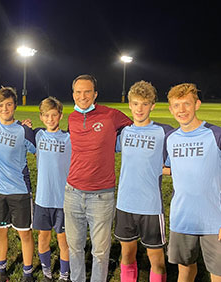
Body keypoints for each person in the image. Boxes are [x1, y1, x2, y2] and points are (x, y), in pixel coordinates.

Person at [64, 74, 132, 282]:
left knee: (100, 252)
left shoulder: (110, 115)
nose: (82, 96)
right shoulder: (72, 117)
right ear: (73, 94)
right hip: (72, 192)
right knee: (75, 248)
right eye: (78, 92)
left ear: (95, 94)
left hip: (101, 196)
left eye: (87, 92)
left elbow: (135, 126)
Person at [114, 81, 171, 282]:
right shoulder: (123, 133)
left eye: (145, 104)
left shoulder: (164, 133)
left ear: (152, 106)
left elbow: (177, 166)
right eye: (136, 103)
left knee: (156, 259)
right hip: (125, 204)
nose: (140, 108)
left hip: (150, 206)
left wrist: (160, 170)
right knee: (127, 254)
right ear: (129, 104)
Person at [164, 83, 221, 282]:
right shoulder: (171, 138)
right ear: (170, 109)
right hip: (183, 218)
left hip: (214, 221)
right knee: (185, 271)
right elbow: (170, 168)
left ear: (197, 104)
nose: (182, 110)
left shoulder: (215, 135)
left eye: (186, 104)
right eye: (177, 105)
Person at [0, 87, 36, 282]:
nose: (4, 108)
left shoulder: (24, 130)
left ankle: (27, 273)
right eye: (0, 105)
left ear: (14, 105)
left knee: (25, 234)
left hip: (20, 191)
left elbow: (40, 153)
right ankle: (2, 271)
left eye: (8, 104)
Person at [33, 97, 71, 282]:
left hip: (63, 200)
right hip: (42, 199)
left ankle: (64, 275)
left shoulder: (69, 138)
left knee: (64, 241)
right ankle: (47, 273)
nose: (50, 119)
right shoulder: (37, 135)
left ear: (60, 116)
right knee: (43, 238)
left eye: (54, 115)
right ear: (41, 117)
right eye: (46, 115)